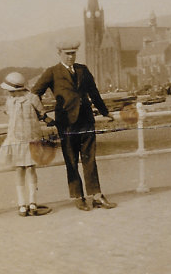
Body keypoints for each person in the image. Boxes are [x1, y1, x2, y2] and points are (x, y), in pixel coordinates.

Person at [32, 40, 117, 211]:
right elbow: (34, 94)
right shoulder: (52, 72)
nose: (71, 57)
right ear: (59, 54)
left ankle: (97, 196)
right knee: (71, 160)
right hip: (66, 123)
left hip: (86, 120)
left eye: (73, 53)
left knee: (90, 159)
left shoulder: (83, 69)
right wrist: (43, 117)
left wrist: (104, 111)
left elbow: (94, 92)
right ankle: (78, 197)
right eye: (67, 53)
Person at [0, 72, 54, 217]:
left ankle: (31, 202)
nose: (9, 93)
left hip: (30, 139)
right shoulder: (11, 101)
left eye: (10, 90)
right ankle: (23, 203)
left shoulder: (31, 99)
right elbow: (11, 115)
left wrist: (48, 119)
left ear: (16, 88)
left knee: (29, 169)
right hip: (17, 140)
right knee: (22, 169)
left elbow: (41, 113)